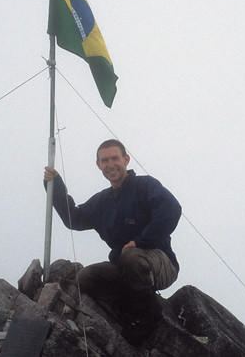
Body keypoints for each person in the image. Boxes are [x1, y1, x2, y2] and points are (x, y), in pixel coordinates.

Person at [43, 139, 181, 346]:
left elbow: (171, 209)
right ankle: (130, 306)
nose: (110, 164)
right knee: (86, 277)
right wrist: (55, 186)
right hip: (125, 267)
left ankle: (149, 318)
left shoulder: (145, 185)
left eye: (115, 158)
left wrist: (141, 241)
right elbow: (75, 219)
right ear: (98, 165)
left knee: (131, 257)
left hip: (161, 264)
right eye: (104, 160)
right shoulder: (102, 201)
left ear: (126, 160)